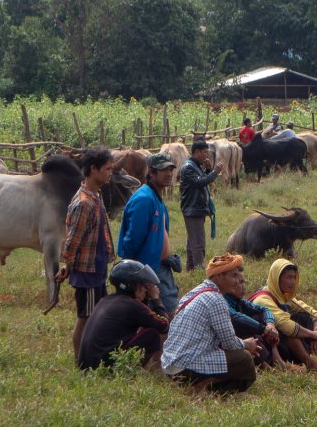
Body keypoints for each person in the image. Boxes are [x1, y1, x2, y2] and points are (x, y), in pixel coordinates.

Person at [162, 254, 262, 393]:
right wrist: (247, 344)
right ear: (219, 276)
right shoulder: (216, 299)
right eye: (233, 276)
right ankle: (203, 386)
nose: (237, 281)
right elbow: (230, 344)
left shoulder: (194, 292)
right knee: (244, 359)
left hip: (169, 365)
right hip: (185, 366)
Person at [56, 147, 116, 361]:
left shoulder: (95, 196)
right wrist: (68, 267)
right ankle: (80, 359)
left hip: (96, 267)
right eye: (108, 168)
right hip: (87, 271)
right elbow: (72, 241)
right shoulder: (84, 203)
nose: (111, 172)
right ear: (93, 169)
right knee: (86, 318)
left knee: (96, 315)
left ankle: (92, 355)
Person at [250, 259, 317, 374]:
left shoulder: (283, 296)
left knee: (305, 316)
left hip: (284, 345)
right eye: (289, 278)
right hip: (267, 347)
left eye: (294, 277)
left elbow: (313, 313)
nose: (293, 282)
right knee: (288, 327)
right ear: (277, 278)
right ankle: (310, 363)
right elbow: (287, 326)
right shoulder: (262, 299)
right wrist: (312, 334)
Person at [118, 153, 181, 315]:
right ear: (151, 173)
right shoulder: (144, 199)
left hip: (159, 265)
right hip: (148, 267)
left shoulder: (155, 197)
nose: (168, 174)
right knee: (168, 313)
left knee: (160, 314)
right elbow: (132, 239)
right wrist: (135, 271)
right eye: (163, 170)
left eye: (170, 169)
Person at [78, 260, 170, 371]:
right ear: (131, 285)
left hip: (87, 365)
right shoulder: (133, 306)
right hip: (104, 367)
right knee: (152, 334)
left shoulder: (106, 300)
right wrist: (156, 299)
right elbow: (164, 325)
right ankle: (132, 371)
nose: (145, 289)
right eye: (142, 284)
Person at [179, 140, 224, 271]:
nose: (206, 155)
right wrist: (214, 172)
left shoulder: (195, 165)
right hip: (192, 209)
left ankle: (191, 268)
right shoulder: (188, 167)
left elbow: (202, 179)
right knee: (198, 242)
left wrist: (209, 169)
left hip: (196, 208)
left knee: (192, 240)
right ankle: (199, 269)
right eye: (204, 152)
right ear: (197, 152)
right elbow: (200, 182)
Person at [224, 268, 281, 367]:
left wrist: (270, 324)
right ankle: (267, 365)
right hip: (228, 346)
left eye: (243, 283)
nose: (243, 287)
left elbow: (265, 310)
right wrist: (264, 329)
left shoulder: (239, 301)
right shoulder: (222, 302)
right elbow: (237, 318)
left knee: (261, 319)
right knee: (245, 328)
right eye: (239, 283)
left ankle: (277, 360)